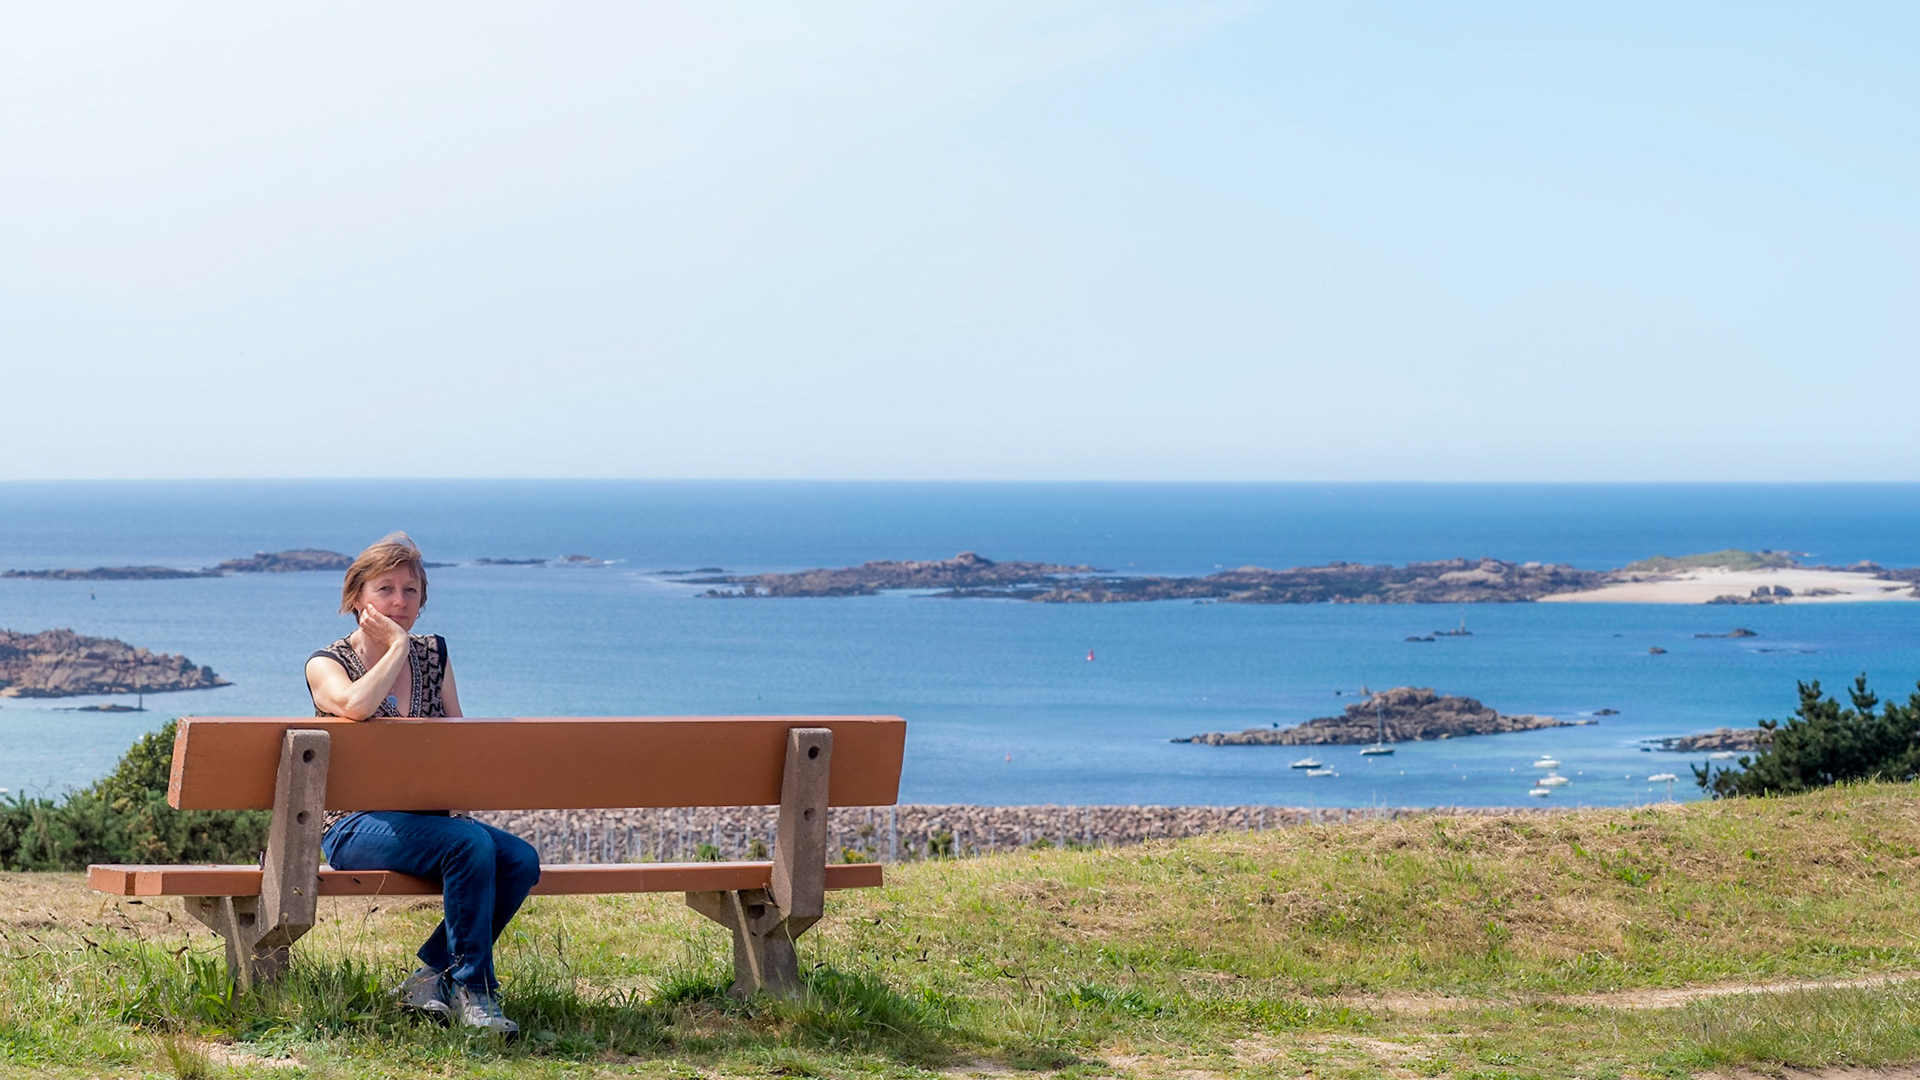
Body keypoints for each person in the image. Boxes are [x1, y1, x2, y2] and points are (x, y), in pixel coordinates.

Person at [305, 531, 539, 1035]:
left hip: (429, 821)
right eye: (384, 589)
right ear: (357, 599)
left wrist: (406, 646)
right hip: (353, 826)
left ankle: (434, 976)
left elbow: (456, 740)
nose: (399, 601)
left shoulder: (434, 656)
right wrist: (397, 647)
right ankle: (474, 993)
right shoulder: (325, 663)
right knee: (468, 844)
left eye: (410, 590)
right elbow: (356, 706)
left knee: (520, 859)